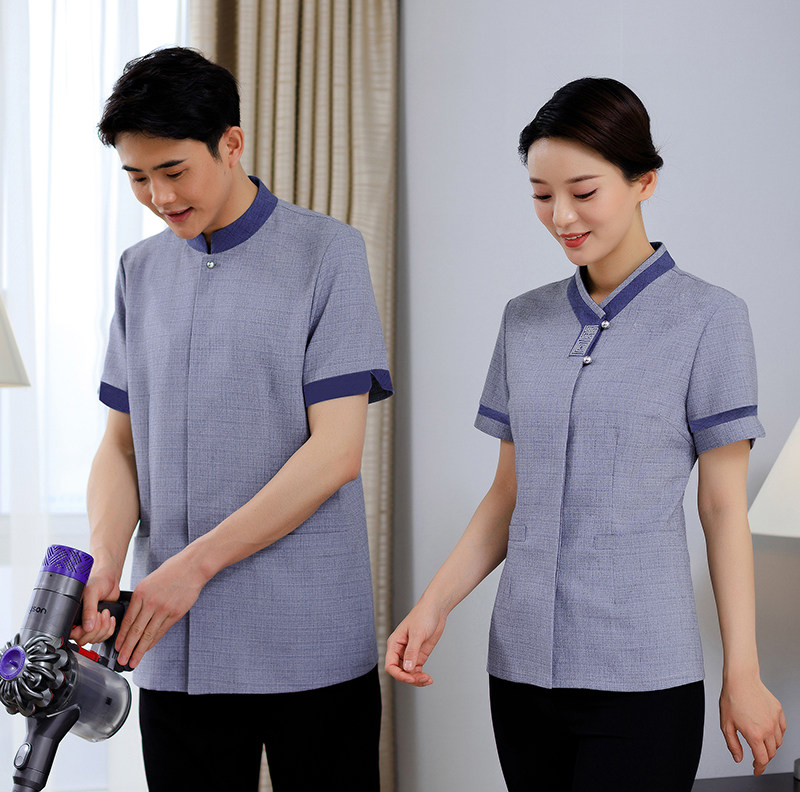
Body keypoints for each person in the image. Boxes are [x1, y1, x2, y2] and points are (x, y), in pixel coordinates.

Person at [386, 77, 785, 791]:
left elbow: (723, 509)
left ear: (644, 182)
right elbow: (509, 494)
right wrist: (431, 606)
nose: (561, 216)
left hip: (643, 674)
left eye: (583, 191)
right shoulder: (523, 319)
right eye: (542, 195)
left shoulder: (710, 320)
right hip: (521, 673)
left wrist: (743, 673)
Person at [70, 47, 392, 792]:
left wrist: (191, 568)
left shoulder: (327, 254)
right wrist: (107, 560)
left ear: (231, 143)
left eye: (173, 171)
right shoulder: (138, 271)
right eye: (137, 177)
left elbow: (337, 452)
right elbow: (121, 447)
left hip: (308, 634)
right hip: (170, 641)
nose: (158, 196)